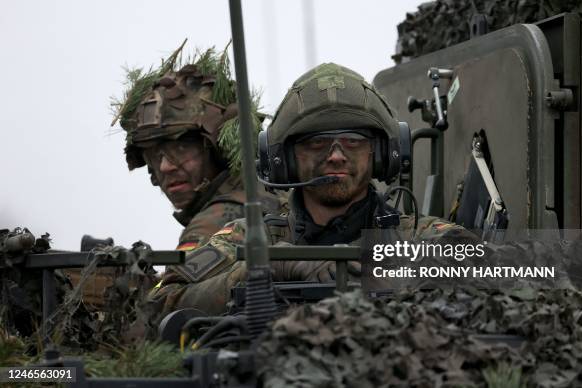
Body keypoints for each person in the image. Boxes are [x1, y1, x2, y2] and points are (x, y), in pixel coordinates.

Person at [147, 63, 478, 319]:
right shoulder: (249, 239)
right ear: (283, 161)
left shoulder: (418, 235)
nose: (335, 155)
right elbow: (161, 302)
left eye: (352, 141)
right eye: (316, 143)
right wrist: (267, 271)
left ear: (382, 153)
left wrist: (388, 272)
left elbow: (501, 271)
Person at [113, 44, 282, 252]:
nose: (165, 167)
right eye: (154, 155)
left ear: (219, 149)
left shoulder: (214, 223)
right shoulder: (267, 194)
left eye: (181, 149)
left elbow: (176, 284)